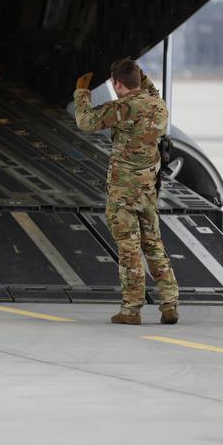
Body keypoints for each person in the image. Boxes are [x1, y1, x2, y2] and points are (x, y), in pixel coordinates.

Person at [74, 58, 180, 325]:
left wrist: (81, 94)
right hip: (148, 191)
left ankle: (131, 310)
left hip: (123, 194)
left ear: (116, 84)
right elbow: (151, 90)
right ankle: (169, 304)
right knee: (154, 245)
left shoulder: (122, 108)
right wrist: (139, 75)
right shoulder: (158, 105)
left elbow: (86, 122)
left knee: (129, 249)